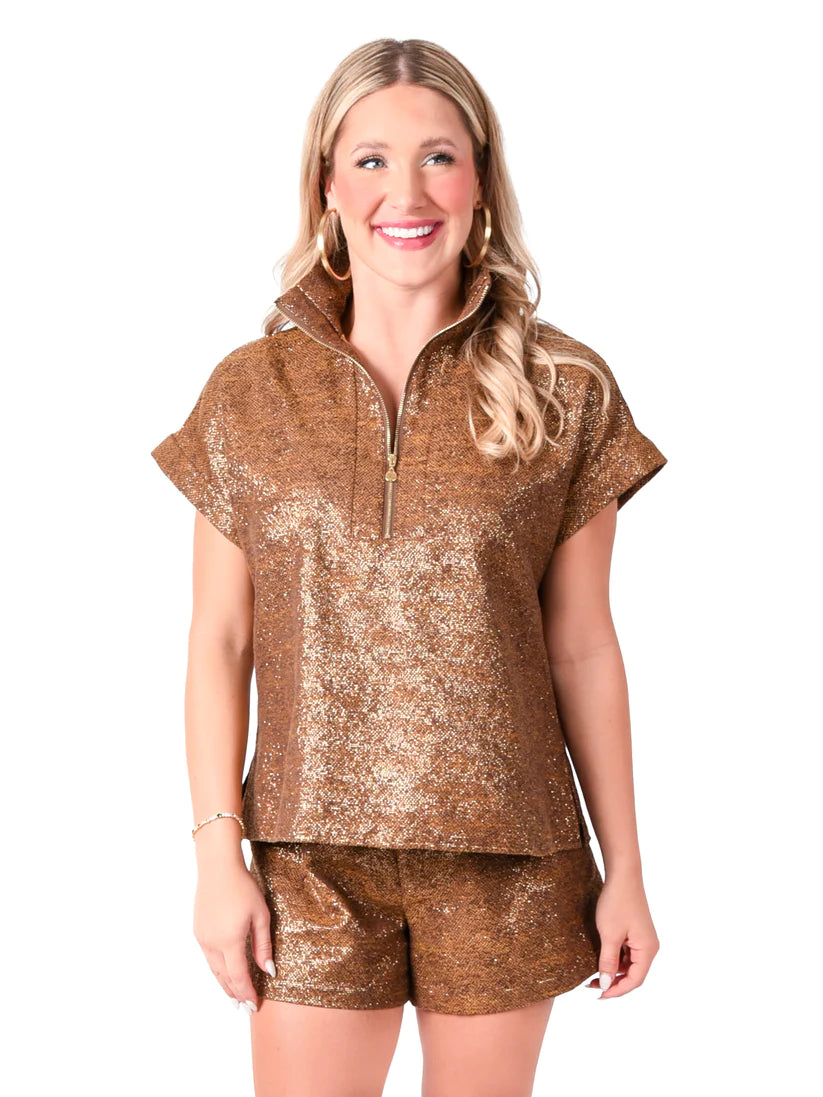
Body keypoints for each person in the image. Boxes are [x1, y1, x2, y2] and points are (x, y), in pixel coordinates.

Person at [151, 37, 667, 1097]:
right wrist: (215, 858)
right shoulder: (249, 392)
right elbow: (219, 639)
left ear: (479, 179)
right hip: (305, 861)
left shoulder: (565, 387)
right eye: (372, 159)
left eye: (439, 156)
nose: (408, 192)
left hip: (509, 855)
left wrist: (627, 869)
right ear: (327, 185)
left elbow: (581, 645)